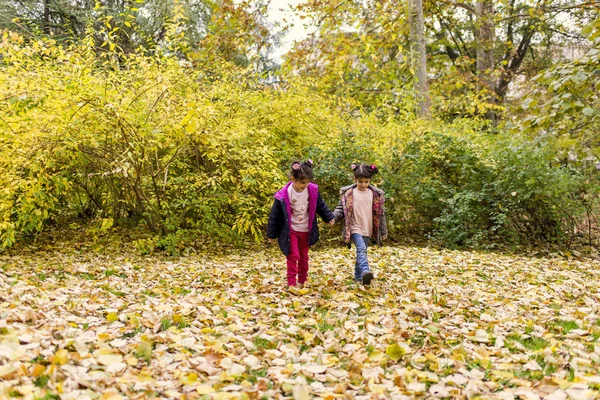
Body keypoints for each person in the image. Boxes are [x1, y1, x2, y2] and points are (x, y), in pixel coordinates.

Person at [267, 160, 335, 288]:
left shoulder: (312, 190)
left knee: (303, 257)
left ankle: (302, 281)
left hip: (306, 230)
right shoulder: (283, 194)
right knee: (293, 255)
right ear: (293, 179)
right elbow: (274, 216)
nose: (306, 185)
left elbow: (320, 205)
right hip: (291, 230)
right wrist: (271, 234)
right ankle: (291, 283)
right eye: (303, 182)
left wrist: (328, 217)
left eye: (308, 182)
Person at [333, 163, 387, 285]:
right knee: (361, 249)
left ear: (370, 180)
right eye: (360, 181)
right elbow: (340, 209)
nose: (363, 184)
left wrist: (383, 231)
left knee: (361, 251)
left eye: (366, 181)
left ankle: (358, 278)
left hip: (367, 228)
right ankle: (365, 271)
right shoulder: (349, 194)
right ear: (355, 179)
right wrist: (333, 218)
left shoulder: (375, 195)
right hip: (354, 227)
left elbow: (380, 214)